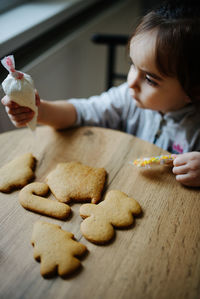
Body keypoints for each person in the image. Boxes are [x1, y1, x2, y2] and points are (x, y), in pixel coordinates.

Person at [2, 0, 200, 187]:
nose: (131, 82)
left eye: (149, 79)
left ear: (193, 90)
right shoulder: (127, 98)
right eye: (132, 65)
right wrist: (40, 110)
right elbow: (80, 113)